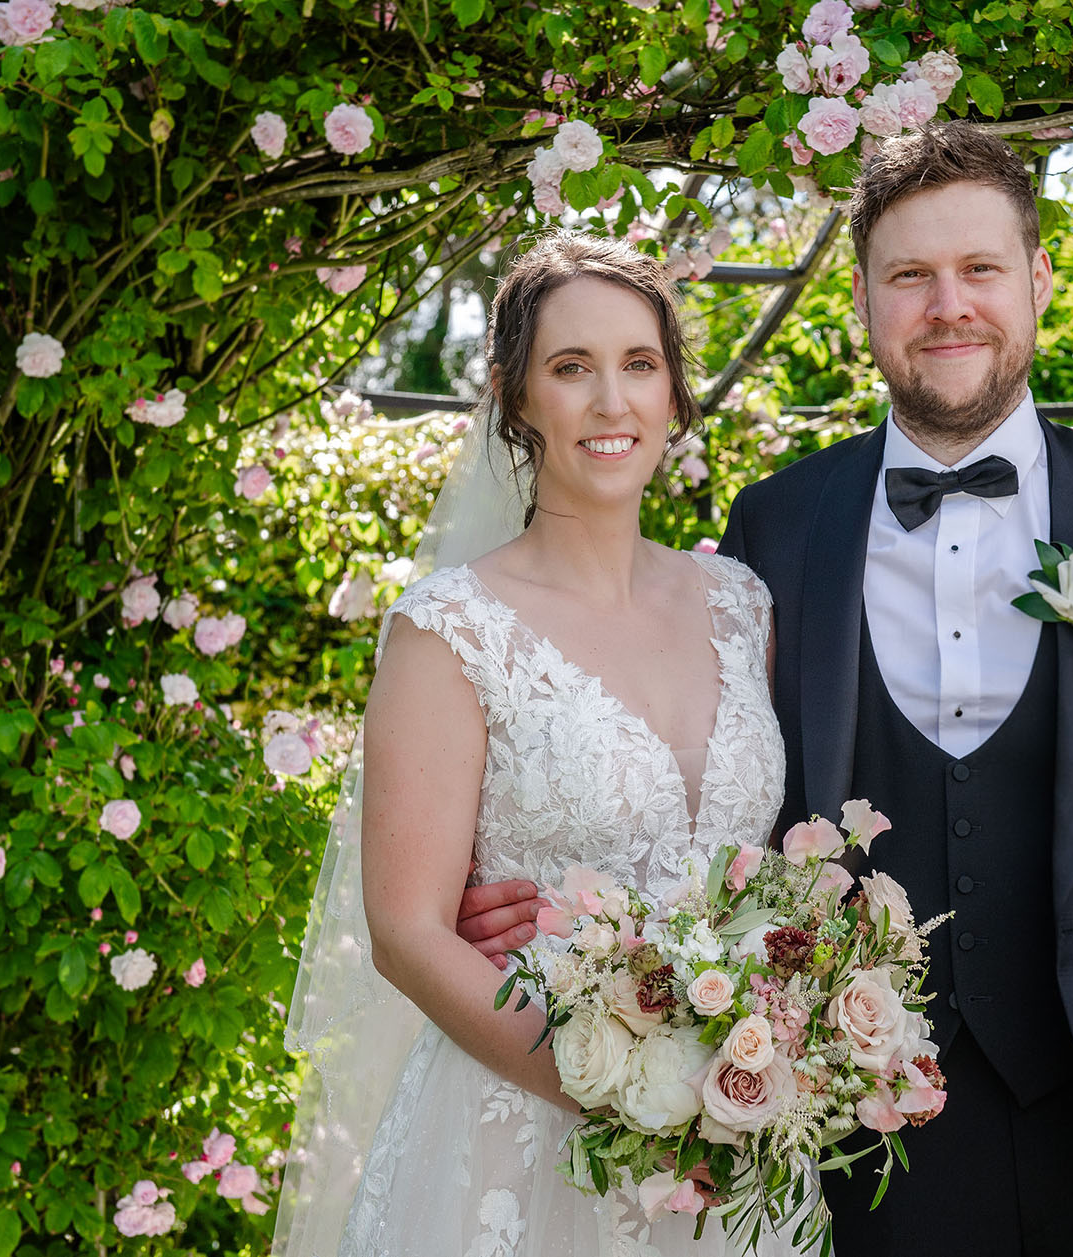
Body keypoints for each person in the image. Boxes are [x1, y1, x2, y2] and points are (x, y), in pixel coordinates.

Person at [462, 122, 1073, 1256]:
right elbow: (712, 799)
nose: (948, 305)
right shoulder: (777, 529)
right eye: (911, 275)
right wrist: (555, 907)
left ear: (1039, 280)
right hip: (863, 1156)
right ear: (864, 300)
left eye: (980, 268)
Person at [272, 232, 795, 1257]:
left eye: (639, 364)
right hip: (522, 1138)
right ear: (516, 399)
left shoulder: (744, 605)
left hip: (737, 1145)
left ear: (675, 394)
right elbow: (407, 931)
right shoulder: (449, 629)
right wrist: (639, 1105)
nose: (611, 401)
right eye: (571, 368)